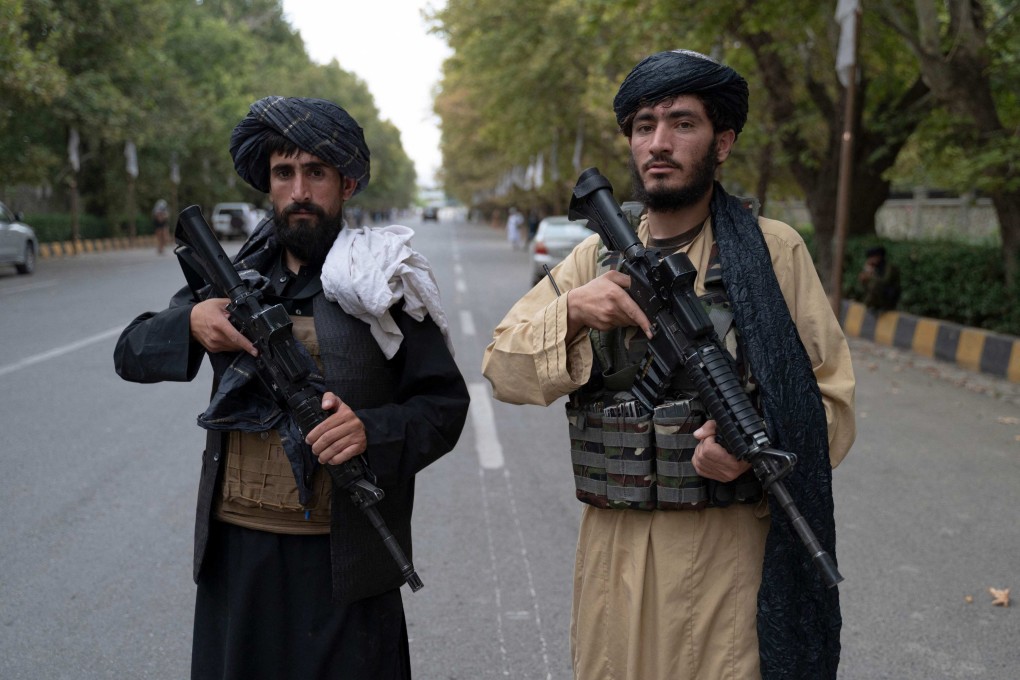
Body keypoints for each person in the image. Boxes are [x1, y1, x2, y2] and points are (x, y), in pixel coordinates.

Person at [481, 50, 856, 680]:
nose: (659, 142)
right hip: (614, 556)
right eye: (644, 126)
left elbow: (832, 403)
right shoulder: (594, 261)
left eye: (683, 124)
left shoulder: (771, 252)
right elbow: (502, 367)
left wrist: (754, 447)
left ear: (723, 143)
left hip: (725, 558)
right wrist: (574, 309)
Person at [114, 96, 470, 680]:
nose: (299, 189)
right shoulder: (234, 286)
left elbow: (443, 409)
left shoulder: (381, 286)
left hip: (342, 566)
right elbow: (129, 352)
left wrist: (368, 431)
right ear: (269, 184)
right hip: (240, 560)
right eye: (284, 173)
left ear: (346, 183)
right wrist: (193, 323)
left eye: (316, 172)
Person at [857, 244, 901, 311]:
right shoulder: (873, 267)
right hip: (879, 296)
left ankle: (876, 305)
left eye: (872, 257)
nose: (870, 260)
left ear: (878, 257)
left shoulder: (889, 268)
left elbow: (885, 282)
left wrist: (871, 276)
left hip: (889, 295)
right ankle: (870, 304)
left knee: (874, 284)